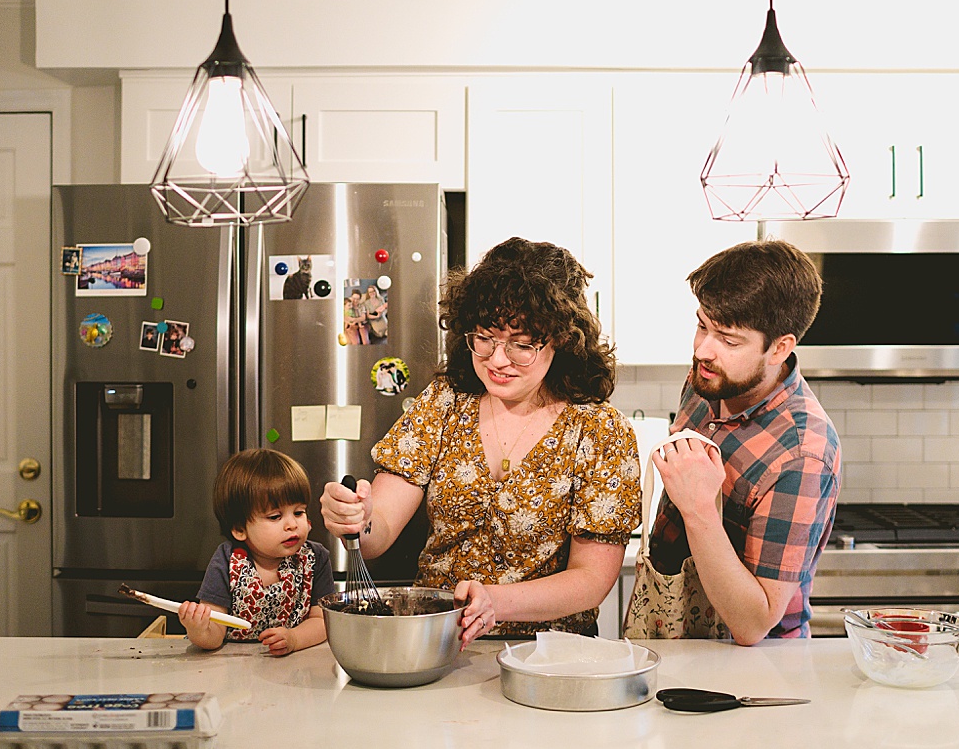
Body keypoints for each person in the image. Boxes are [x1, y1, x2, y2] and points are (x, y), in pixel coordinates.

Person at [322, 237, 641, 649]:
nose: (497, 359)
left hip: (550, 655)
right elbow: (378, 532)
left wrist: (496, 601)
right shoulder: (444, 403)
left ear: (560, 340)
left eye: (522, 344)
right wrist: (356, 518)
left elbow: (591, 580)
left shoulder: (599, 430)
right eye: (485, 338)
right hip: (438, 644)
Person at [648, 239, 841, 646]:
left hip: (752, 667)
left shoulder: (803, 453)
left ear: (780, 348)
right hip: (676, 629)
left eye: (728, 339)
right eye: (702, 325)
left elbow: (754, 624)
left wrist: (699, 508)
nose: (703, 349)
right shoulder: (711, 377)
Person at [179, 449, 334, 655]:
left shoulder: (316, 558)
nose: (292, 525)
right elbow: (214, 634)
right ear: (240, 529)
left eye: (299, 512)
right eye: (275, 516)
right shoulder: (227, 560)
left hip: (295, 668)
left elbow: (323, 621)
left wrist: (294, 639)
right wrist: (198, 629)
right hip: (232, 668)